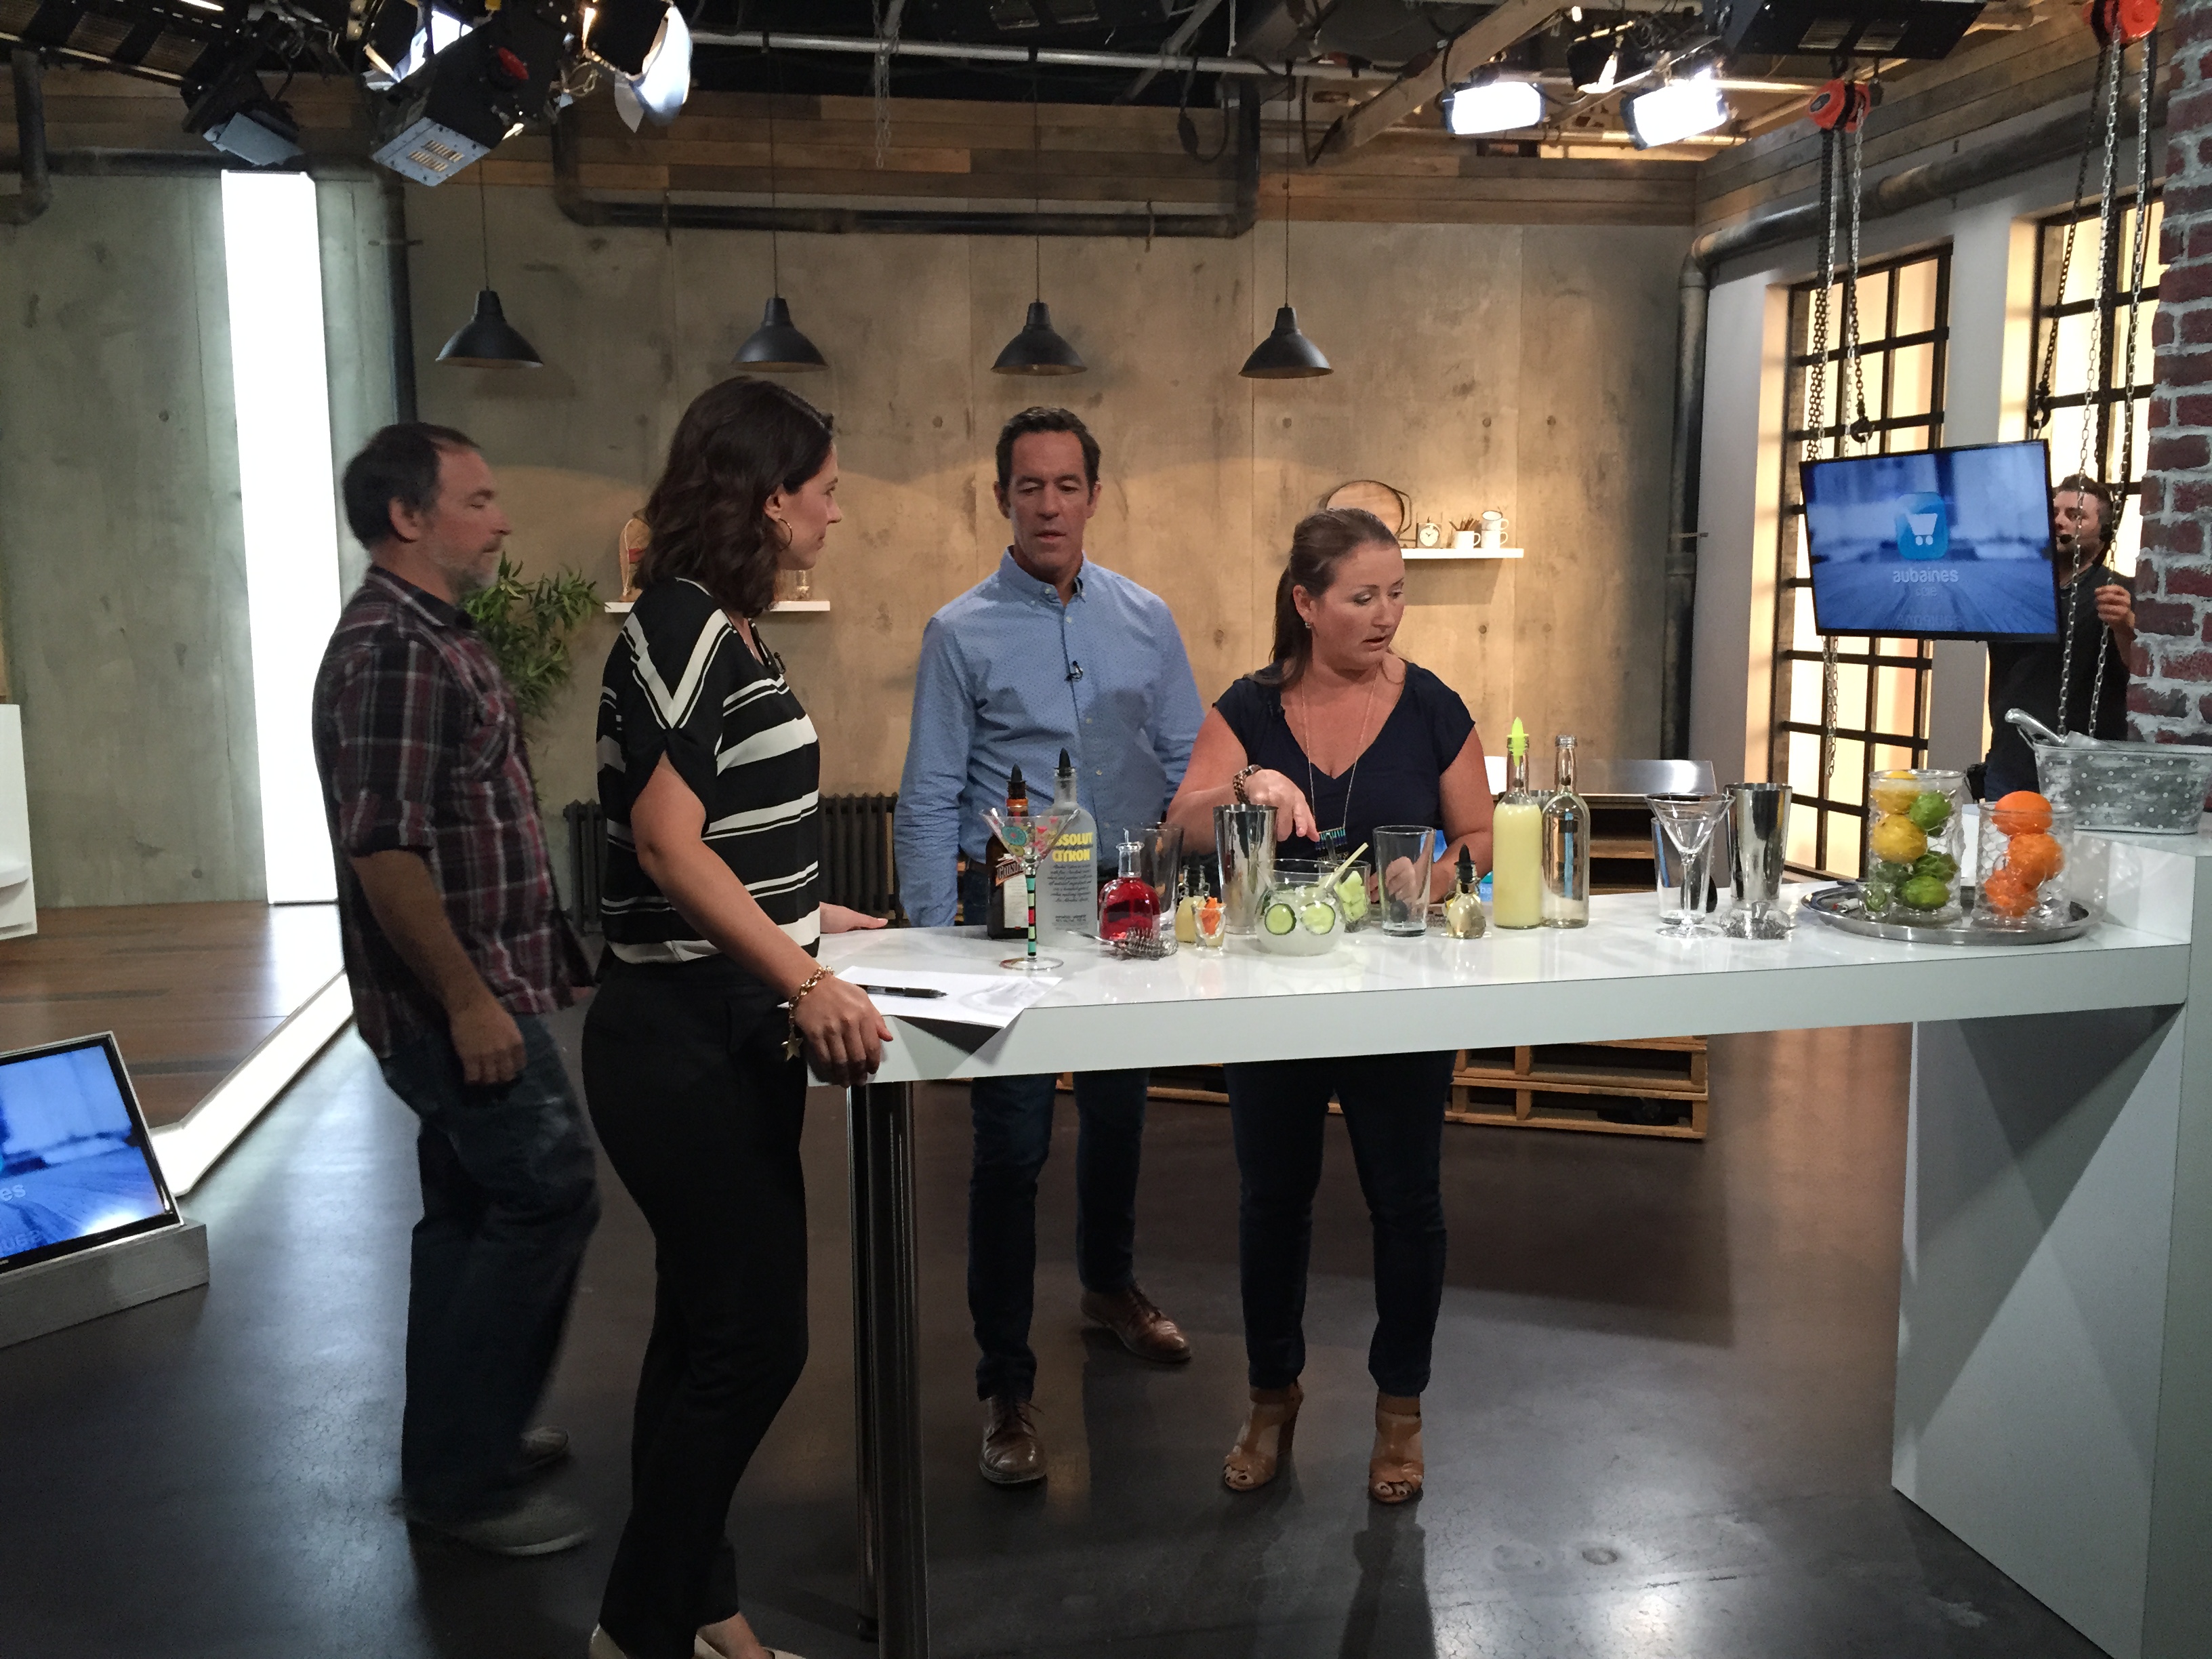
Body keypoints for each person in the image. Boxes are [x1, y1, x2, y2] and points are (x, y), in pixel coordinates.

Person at [581, 377, 890, 1659]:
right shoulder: (681, 623)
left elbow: (730, 834)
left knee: (703, 1328)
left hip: (720, 1015)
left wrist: (817, 923)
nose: (833, 511)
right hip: (680, 1033)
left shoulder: (726, 629)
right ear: (767, 496)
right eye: (822, 488)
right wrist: (804, 981)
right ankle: (637, 1630)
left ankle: (700, 1607)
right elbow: (666, 842)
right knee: (756, 1340)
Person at [896, 407, 1205, 1488]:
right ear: (1001, 500)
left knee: (1121, 1115)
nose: (1048, 505)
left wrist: (1197, 887)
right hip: (1013, 909)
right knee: (1012, 1145)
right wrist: (931, 944)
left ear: (1094, 497)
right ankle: (1005, 1383)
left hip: (1125, 905)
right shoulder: (959, 632)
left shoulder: (1146, 619)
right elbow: (930, 793)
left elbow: (1189, 762)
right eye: (1028, 486)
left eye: (1067, 485)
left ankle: (1109, 1287)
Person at [1164, 506, 1493, 1505]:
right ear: (1306, 605)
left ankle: (1401, 1414)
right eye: (1362, 597)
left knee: (1408, 1204)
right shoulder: (1249, 710)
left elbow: (1480, 836)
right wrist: (1248, 787)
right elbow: (1180, 827)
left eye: (1396, 594)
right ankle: (1271, 1397)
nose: (1387, 614)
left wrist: (1435, 877)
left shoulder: (1432, 707)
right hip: (1274, 997)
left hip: (1401, 1002)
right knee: (1272, 1201)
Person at [311, 423, 601, 1556]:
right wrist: (470, 1000)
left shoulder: (433, 636)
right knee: (547, 1192)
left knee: (472, 1212)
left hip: (483, 986)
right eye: (477, 500)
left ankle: (458, 1445)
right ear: (407, 516)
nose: (502, 520)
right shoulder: (393, 648)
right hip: (459, 1001)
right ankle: (465, 1475)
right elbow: (383, 850)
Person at [1982, 474, 2137, 798]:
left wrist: (2125, 626)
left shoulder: (2120, 594)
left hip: (2087, 770)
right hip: (2010, 763)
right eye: (2053, 513)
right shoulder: (2014, 591)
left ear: (2103, 532)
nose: (2059, 522)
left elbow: (2141, 673)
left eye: (2076, 515)